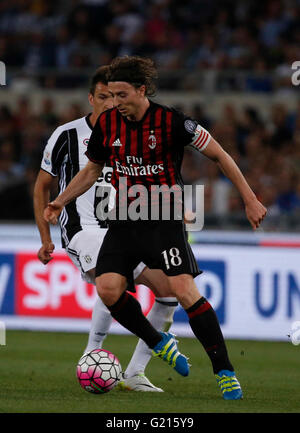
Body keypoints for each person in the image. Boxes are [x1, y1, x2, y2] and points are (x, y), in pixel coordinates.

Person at [44, 56, 267, 400]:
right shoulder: (108, 127)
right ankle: (157, 341)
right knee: (107, 289)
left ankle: (225, 371)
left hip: (164, 219)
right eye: (111, 96)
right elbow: (91, 171)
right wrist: (61, 200)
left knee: (182, 290)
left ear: (141, 90)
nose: (115, 103)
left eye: (121, 95)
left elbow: (221, 155)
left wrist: (250, 199)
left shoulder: (173, 122)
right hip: (124, 220)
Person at [34, 65, 179, 392]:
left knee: (169, 292)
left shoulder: (133, 134)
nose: (110, 104)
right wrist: (45, 237)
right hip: (82, 229)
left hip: (124, 228)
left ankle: (135, 373)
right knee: (114, 275)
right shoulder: (67, 135)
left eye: (115, 97)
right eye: (103, 97)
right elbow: (41, 187)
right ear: (91, 98)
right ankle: (95, 351)